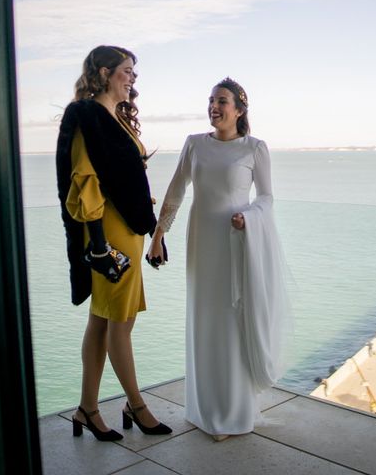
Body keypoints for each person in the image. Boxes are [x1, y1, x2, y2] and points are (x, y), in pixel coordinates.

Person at [147, 77, 290, 442]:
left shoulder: (254, 148)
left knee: (230, 319)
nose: (214, 106)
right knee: (204, 318)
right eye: (211, 100)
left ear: (239, 109)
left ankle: (231, 413)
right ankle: (204, 409)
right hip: (202, 241)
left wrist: (249, 218)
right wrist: (158, 237)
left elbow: (268, 198)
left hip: (236, 242)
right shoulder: (194, 145)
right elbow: (176, 190)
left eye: (222, 101)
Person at [56, 45, 171, 441]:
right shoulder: (87, 116)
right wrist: (101, 247)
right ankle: (136, 406)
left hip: (128, 232)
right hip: (108, 235)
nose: (132, 78)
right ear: (104, 73)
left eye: (134, 73)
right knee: (118, 323)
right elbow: (84, 180)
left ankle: (87, 408)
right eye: (126, 71)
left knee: (105, 320)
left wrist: (152, 231)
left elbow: (130, 183)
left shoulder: (115, 117)